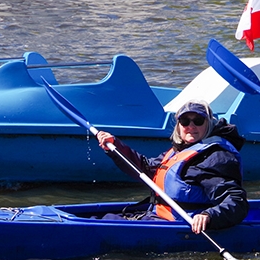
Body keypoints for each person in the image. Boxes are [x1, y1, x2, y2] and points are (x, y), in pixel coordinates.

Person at [94, 100, 248, 234]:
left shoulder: (215, 157)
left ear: (208, 124)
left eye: (198, 120)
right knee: (100, 218)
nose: (191, 126)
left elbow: (236, 202)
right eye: (185, 121)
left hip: (180, 226)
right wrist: (115, 147)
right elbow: (145, 169)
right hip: (157, 217)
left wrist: (209, 216)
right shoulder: (180, 151)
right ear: (179, 126)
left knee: (99, 222)